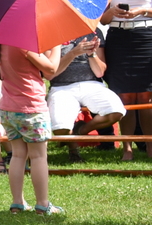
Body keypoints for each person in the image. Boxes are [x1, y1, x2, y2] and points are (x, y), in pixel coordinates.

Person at [100, 0, 152, 160]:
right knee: (124, 96)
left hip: (146, 37)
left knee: (147, 96)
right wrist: (111, 13)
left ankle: (149, 145)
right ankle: (127, 147)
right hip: (118, 39)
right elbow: (99, 19)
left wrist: (142, 11)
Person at [0, 44, 62, 215]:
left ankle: (17, 203)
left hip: (8, 108)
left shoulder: (2, 43)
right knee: (38, 156)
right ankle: (42, 204)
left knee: (18, 155)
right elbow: (51, 69)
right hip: (31, 109)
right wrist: (56, 46)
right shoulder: (23, 44)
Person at [47, 32, 125, 163]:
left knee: (116, 111)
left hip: (91, 84)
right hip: (61, 86)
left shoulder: (93, 33)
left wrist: (91, 53)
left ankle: (80, 131)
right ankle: (73, 150)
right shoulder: (50, 36)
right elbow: (49, 74)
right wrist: (73, 53)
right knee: (60, 127)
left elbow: (100, 72)